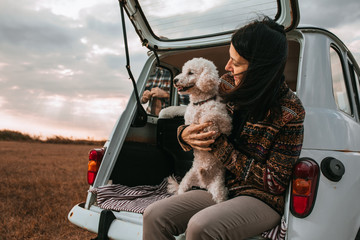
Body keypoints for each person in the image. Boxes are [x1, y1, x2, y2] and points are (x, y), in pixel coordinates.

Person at [143, 17, 305, 240]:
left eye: (236, 63)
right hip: (219, 184)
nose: (228, 67)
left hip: (259, 197)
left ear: (260, 69)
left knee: (201, 227)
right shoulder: (227, 84)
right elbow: (196, 110)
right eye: (230, 59)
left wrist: (219, 146)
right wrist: (184, 134)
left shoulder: (290, 111)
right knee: (154, 215)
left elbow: (274, 182)